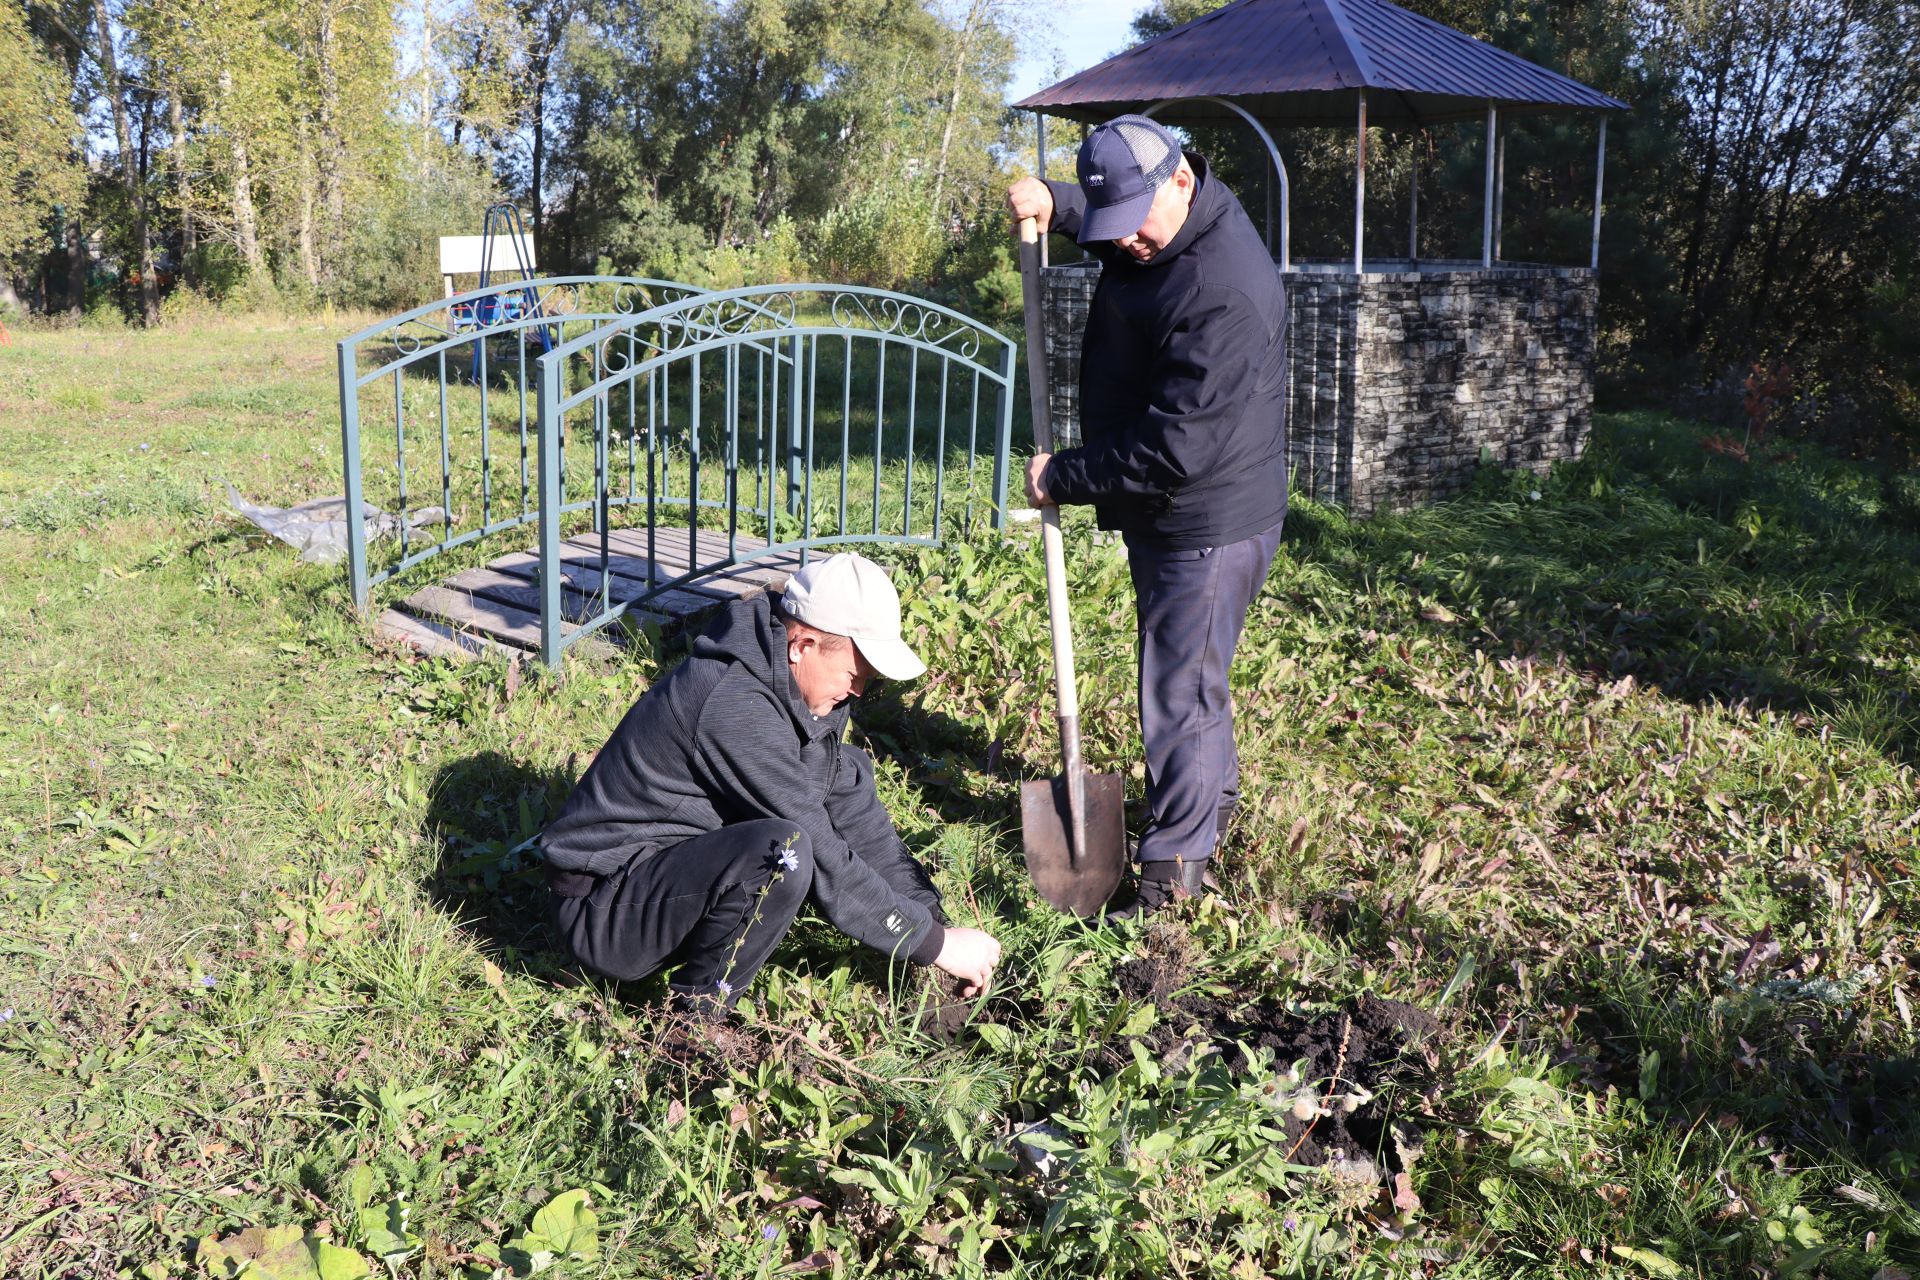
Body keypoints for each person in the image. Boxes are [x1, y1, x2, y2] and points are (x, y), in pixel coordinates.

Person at [1007, 115, 1289, 919]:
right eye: (1110, 223)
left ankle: (1173, 875)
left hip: (1204, 517)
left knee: (1179, 691)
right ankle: (1210, 807)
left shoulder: (1222, 289)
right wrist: (1057, 204)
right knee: (1194, 678)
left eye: (1134, 223)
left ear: (1180, 180)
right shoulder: (1160, 222)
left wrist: (1062, 475)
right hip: (1178, 511)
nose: (1123, 241)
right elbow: (1111, 217)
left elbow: (1175, 447)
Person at [540, 551, 1001, 1010]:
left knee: (848, 769)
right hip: (604, 910)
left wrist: (932, 921)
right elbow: (822, 852)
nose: (858, 692)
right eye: (853, 674)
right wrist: (932, 945)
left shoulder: (792, 683)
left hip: (663, 876)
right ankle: (695, 1019)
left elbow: (851, 812)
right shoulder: (737, 706)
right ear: (801, 646)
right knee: (784, 852)